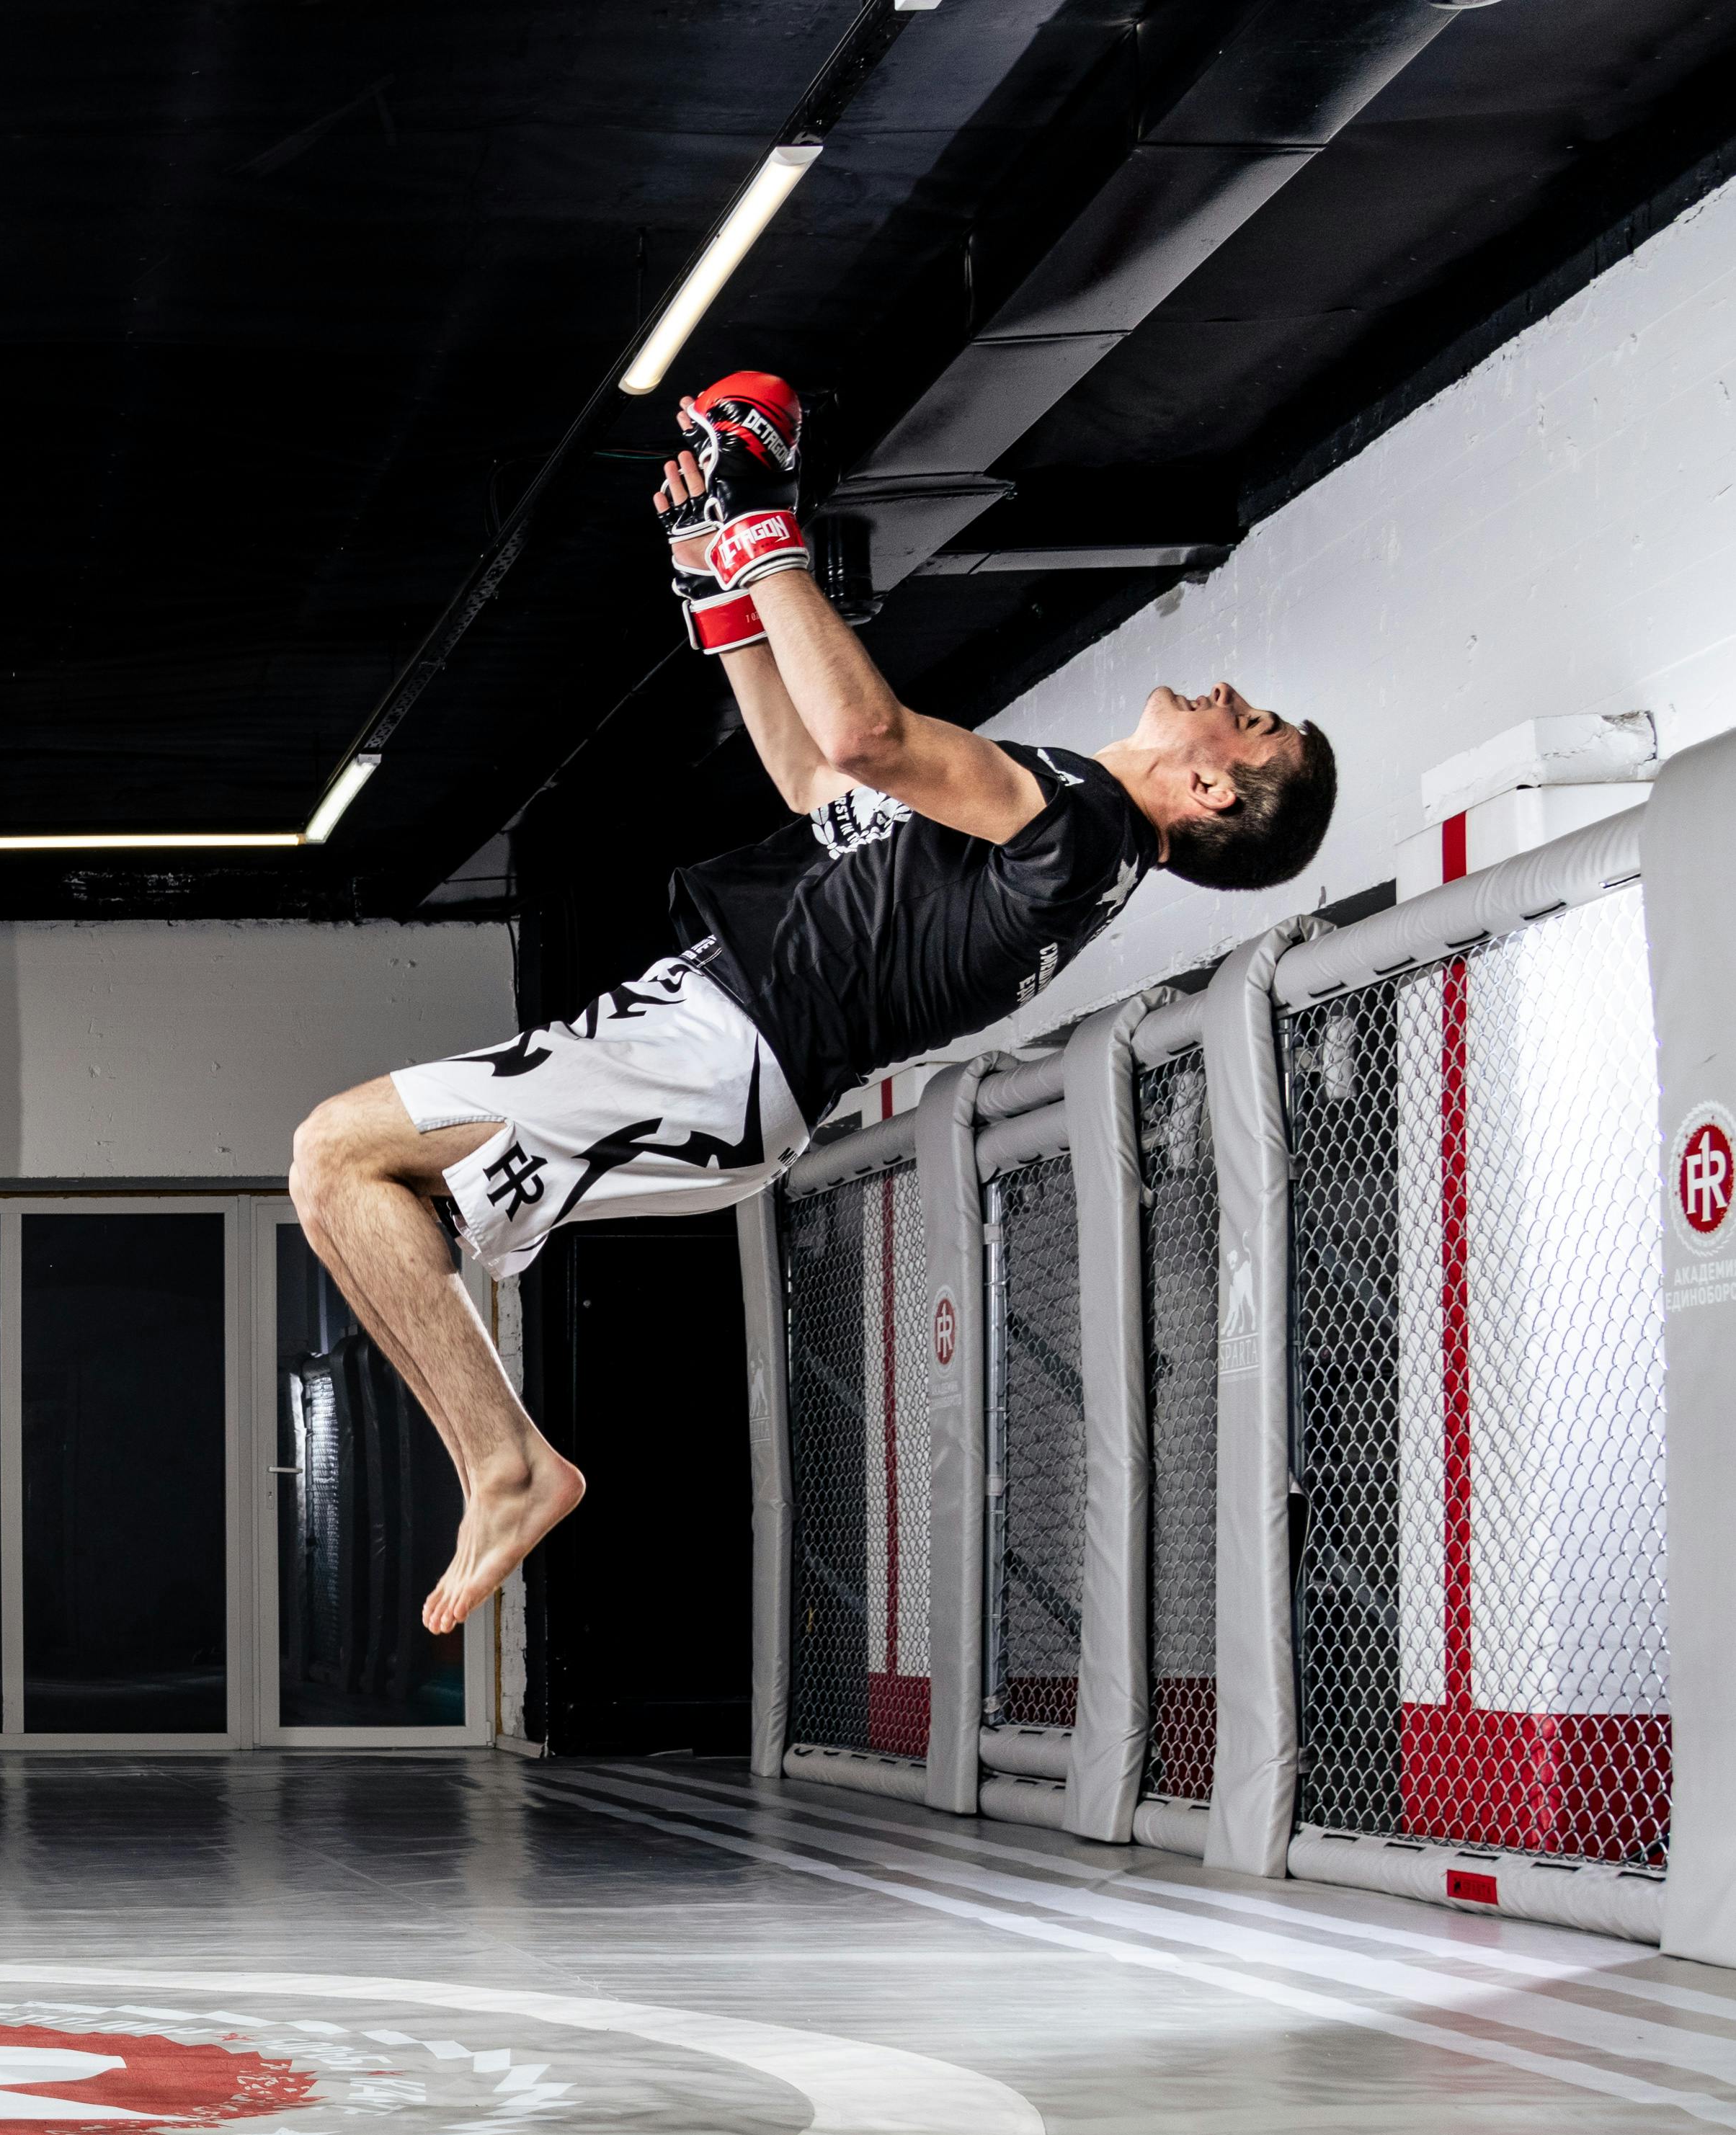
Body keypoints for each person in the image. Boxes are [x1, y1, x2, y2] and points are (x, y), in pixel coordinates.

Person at [288, 371, 1337, 1636]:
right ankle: (497, 1463)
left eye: (1255, 724)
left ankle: (510, 1467)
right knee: (353, 1194)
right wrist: (714, 582)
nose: (1228, 697)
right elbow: (810, 777)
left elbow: (864, 736)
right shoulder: (1061, 812)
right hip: (715, 1045)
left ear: (1217, 796)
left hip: (725, 1052)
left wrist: (759, 516)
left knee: (335, 1150)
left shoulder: (1088, 826)